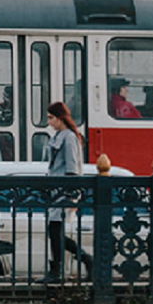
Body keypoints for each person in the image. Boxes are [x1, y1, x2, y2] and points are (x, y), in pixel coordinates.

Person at [39, 101, 93, 283]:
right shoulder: (60, 136)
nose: (49, 122)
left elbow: (71, 165)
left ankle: (58, 270)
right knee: (55, 231)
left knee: (55, 230)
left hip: (65, 190)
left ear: (60, 118)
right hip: (58, 190)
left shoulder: (68, 137)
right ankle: (83, 260)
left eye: (51, 118)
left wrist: (69, 190)